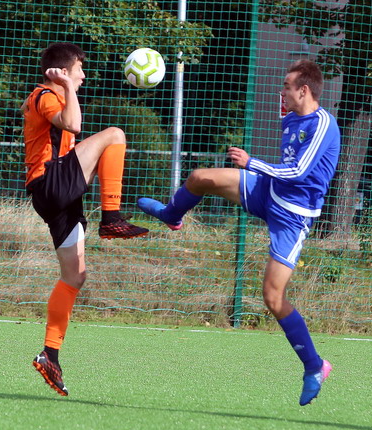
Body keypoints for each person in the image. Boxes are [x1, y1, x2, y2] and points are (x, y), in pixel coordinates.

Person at [138, 59, 340, 406]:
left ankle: (314, 365)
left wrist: (251, 163)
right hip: (268, 191)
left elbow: (299, 172)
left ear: (304, 90)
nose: (282, 91)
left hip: (293, 216)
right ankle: (172, 216)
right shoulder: (290, 115)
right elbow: (284, 155)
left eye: (287, 86)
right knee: (201, 177)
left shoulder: (322, 124)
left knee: (272, 296)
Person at [22, 42, 149, 396]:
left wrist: (67, 88)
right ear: (64, 71)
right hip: (51, 182)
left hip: (55, 196)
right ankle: (112, 216)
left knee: (74, 277)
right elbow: (74, 124)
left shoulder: (55, 95)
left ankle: (49, 354)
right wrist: (64, 85)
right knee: (115, 135)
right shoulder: (46, 95)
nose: (83, 76)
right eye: (79, 69)